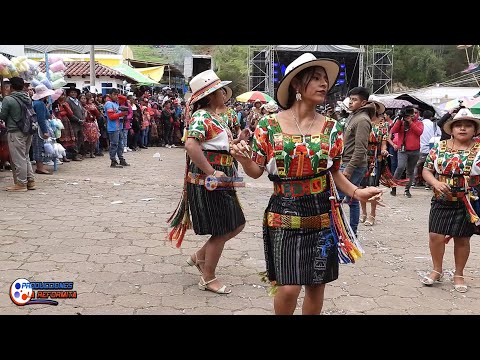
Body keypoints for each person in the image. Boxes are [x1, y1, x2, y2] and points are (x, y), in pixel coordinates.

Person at [230, 53, 383, 315]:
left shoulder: (333, 127)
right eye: (316, 79)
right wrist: (243, 160)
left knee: (316, 284)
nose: (324, 84)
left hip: (322, 215)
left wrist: (357, 192)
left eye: (325, 79)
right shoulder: (268, 125)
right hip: (283, 213)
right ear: (297, 85)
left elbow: (334, 172)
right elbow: (255, 171)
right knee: (288, 287)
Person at [167, 69, 250, 295]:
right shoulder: (202, 116)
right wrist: (212, 171)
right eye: (220, 90)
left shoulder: (216, 117)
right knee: (224, 228)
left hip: (221, 174)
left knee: (234, 224)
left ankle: (199, 257)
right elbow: (191, 145)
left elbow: (217, 144)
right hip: (210, 178)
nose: (224, 93)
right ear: (212, 94)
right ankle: (208, 276)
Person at [421, 108, 480, 293]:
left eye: (467, 126)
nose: (462, 129)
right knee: (435, 235)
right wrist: (435, 183)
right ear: (451, 129)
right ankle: (436, 270)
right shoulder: (439, 146)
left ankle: (459, 274)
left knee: (462, 238)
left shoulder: (479, 149)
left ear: (475, 130)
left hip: (467, 201)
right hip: (441, 199)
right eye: (458, 125)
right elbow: (426, 169)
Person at [340, 86, 375, 236]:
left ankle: (349, 233)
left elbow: (361, 149)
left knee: (339, 198)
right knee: (351, 199)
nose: (350, 102)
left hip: (352, 165)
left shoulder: (362, 120)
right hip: (346, 161)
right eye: (350, 99)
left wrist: (348, 169)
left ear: (363, 102)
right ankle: (351, 233)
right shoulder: (353, 115)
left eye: (355, 100)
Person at [0, 77, 35, 191]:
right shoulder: (27, 97)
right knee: (25, 156)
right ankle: (30, 181)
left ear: (11, 87)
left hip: (15, 131)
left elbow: (2, 116)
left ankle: (21, 184)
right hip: (28, 130)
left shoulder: (8, 99)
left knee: (18, 158)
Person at [359, 101, 388, 226]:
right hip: (361, 156)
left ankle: (372, 214)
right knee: (360, 186)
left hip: (375, 157)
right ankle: (363, 213)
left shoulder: (383, 125)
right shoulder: (362, 122)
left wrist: (384, 150)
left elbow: (384, 142)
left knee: (373, 188)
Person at [390, 106, 424, 198]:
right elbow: (393, 130)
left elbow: (419, 132)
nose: (413, 115)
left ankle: (407, 189)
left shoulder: (419, 123)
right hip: (403, 150)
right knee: (400, 167)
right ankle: (393, 186)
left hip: (415, 150)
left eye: (415, 113)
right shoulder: (401, 122)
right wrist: (400, 120)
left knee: (410, 170)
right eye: (411, 113)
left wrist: (411, 122)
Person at [32, 84, 55, 175]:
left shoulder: (36, 103)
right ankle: (40, 167)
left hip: (36, 127)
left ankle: (40, 166)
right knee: (39, 147)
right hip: (39, 128)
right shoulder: (40, 104)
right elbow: (41, 118)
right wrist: (45, 131)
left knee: (38, 146)